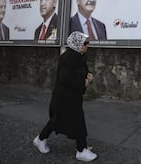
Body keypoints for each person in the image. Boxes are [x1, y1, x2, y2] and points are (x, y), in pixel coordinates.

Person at [33, 31, 97, 162]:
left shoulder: (78, 55)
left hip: (69, 97)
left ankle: (40, 139)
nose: (87, 46)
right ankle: (81, 150)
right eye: (85, 43)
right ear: (78, 44)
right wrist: (83, 82)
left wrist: (88, 74)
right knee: (76, 121)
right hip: (65, 97)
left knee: (58, 120)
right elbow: (65, 79)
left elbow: (81, 70)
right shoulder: (69, 58)